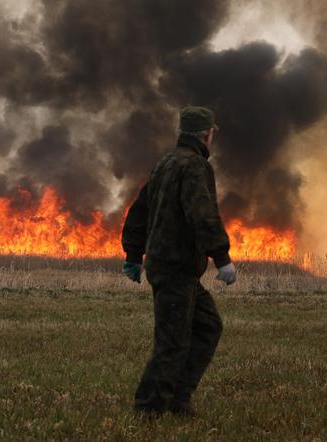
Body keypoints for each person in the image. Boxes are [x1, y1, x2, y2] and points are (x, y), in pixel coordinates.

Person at [120, 106, 237, 418]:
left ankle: (178, 398)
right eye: (212, 132)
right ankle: (148, 408)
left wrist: (133, 254)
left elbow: (138, 211)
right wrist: (222, 258)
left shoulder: (165, 163)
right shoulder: (195, 167)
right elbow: (202, 215)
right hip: (175, 268)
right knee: (172, 342)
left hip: (171, 268)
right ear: (207, 134)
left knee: (208, 326)